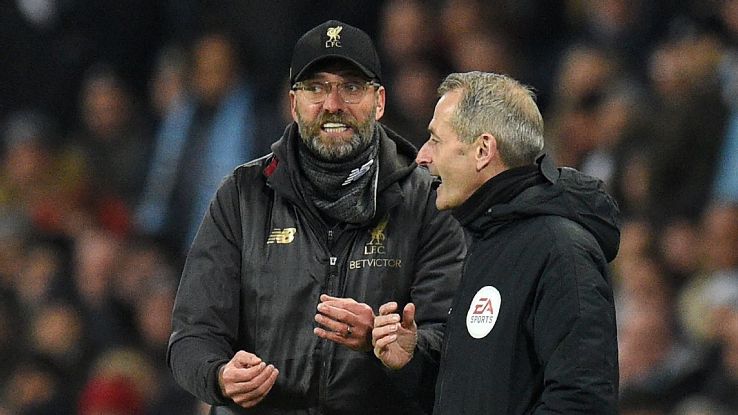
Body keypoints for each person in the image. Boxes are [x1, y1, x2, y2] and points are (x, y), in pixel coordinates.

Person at [167, 20, 465, 414]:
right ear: (293, 104)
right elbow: (192, 335)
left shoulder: (426, 201)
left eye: (351, 87)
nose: (333, 104)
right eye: (316, 88)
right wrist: (220, 376)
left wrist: (406, 350)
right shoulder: (242, 196)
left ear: (379, 101)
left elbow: (456, 342)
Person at [373, 71, 621, 414]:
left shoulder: (562, 251)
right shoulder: (485, 241)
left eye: (435, 140)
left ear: (483, 150)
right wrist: (413, 357)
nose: (422, 156)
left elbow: (581, 402)